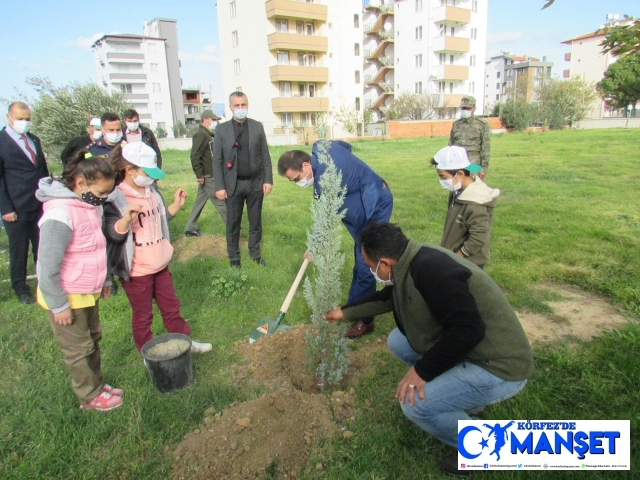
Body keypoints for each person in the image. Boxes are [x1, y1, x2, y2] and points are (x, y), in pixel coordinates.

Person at [324, 222, 534, 476]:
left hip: (500, 366)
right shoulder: (413, 259)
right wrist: (344, 312)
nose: (371, 272)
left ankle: (484, 448)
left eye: (371, 266)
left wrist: (422, 371)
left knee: (414, 405)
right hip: (474, 350)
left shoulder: (432, 271)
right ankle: (463, 395)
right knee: (398, 342)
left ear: (386, 263)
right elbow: (388, 297)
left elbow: (468, 329)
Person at [35, 149, 123, 411]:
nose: (105, 199)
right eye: (101, 193)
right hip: (66, 295)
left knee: (93, 338)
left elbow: (97, 246)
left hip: (87, 290)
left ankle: (97, 385)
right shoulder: (59, 213)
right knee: (78, 348)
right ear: (81, 184)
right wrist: (58, 305)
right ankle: (89, 396)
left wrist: (106, 278)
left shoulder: (89, 205)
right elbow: (47, 266)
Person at [104, 142, 212, 354]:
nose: (151, 177)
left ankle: (185, 343)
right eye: (147, 172)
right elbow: (113, 233)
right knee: (143, 316)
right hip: (137, 271)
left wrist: (175, 206)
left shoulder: (151, 192)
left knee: (172, 308)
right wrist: (125, 219)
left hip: (160, 263)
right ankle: (148, 353)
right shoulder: (116, 198)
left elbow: (158, 221)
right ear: (129, 170)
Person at [278, 141, 393, 338]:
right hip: (359, 204)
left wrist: (315, 245)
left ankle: (366, 321)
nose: (296, 183)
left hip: (373, 206)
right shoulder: (321, 146)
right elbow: (345, 146)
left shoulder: (327, 181)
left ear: (306, 165)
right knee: (360, 262)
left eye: (295, 178)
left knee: (367, 264)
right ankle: (353, 308)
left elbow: (325, 219)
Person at [212, 92, 273, 268]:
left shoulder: (256, 127)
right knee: (233, 223)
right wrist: (220, 187)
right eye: (237, 105)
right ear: (230, 107)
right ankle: (234, 258)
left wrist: (267, 179)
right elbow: (217, 160)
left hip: (255, 183)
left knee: (255, 222)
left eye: (243, 105)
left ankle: (255, 254)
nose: (240, 108)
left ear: (247, 105)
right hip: (233, 185)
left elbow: (265, 155)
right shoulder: (221, 130)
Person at [0, 102, 50, 304]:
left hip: (38, 204)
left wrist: (49, 197)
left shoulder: (34, 140)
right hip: (15, 207)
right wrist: (6, 208)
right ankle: (20, 288)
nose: (25, 122)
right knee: (19, 249)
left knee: (42, 246)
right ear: (8, 117)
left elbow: (42, 171)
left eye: (28, 118)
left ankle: (44, 283)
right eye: (20, 118)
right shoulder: (1, 141)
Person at [430, 145, 500, 269]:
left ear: (460, 174)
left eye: (443, 177)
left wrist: (457, 257)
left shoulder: (475, 203)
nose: (440, 180)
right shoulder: (457, 192)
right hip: (453, 258)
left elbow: (478, 238)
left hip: (468, 264)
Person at [185, 109, 227, 236]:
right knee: (221, 202)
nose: (215, 122)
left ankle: (190, 228)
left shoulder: (209, 134)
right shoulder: (201, 135)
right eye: (213, 120)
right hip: (208, 175)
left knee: (199, 202)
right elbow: (195, 155)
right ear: (205, 119)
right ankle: (233, 226)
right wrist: (199, 174)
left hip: (208, 174)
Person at [449, 95, 491, 179]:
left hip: (473, 162)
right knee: (456, 188)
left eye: (468, 108)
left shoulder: (481, 125)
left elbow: (486, 148)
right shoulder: (456, 124)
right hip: (457, 162)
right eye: (463, 108)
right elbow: (450, 145)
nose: (465, 110)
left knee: (473, 188)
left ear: (474, 108)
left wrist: (484, 168)